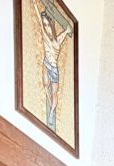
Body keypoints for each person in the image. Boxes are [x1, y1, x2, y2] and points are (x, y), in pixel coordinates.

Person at [32, 0, 73, 132]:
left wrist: (68, 30)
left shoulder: (57, 41)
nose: (46, 27)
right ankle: (51, 106)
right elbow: (39, 20)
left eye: (47, 25)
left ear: (51, 25)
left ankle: (51, 113)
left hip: (54, 68)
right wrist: (35, 6)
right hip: (46, 64)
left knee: (54, 92)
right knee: (45, 85)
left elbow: (66, 32)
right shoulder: (45, 35)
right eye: (45, 25)